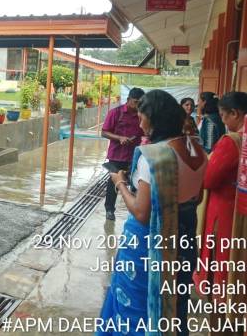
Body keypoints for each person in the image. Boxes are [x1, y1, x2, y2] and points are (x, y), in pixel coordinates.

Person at [99, 90, 207, 336]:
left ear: (154, 118)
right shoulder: (197, 151)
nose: (139, 123)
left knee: (136, 309)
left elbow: (142, 212)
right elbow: (197, 197)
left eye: (142, 117)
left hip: (147, 248)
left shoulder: (153, 157)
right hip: (184, 242)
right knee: (175, 304)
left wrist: (119, 182)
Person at [194, 92, 247, 332]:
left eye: (225, 116)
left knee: (221, 269)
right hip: (238, 212)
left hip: (226, 215)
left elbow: (208, 178)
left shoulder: (233, 141)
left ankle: (221, 322)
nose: (223, 121)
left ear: (235, 113)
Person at [101, 87, 145, 221]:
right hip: (117, 154)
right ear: (128, 100)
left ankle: (135, 209)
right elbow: (104, 132)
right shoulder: (115, 113)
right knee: (113, 183)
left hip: (136, 155)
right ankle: (109, 209)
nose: (138, 105)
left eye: (141, 103)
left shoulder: (142, 114)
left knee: (136, 182)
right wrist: (119, 138)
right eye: (136, 102)